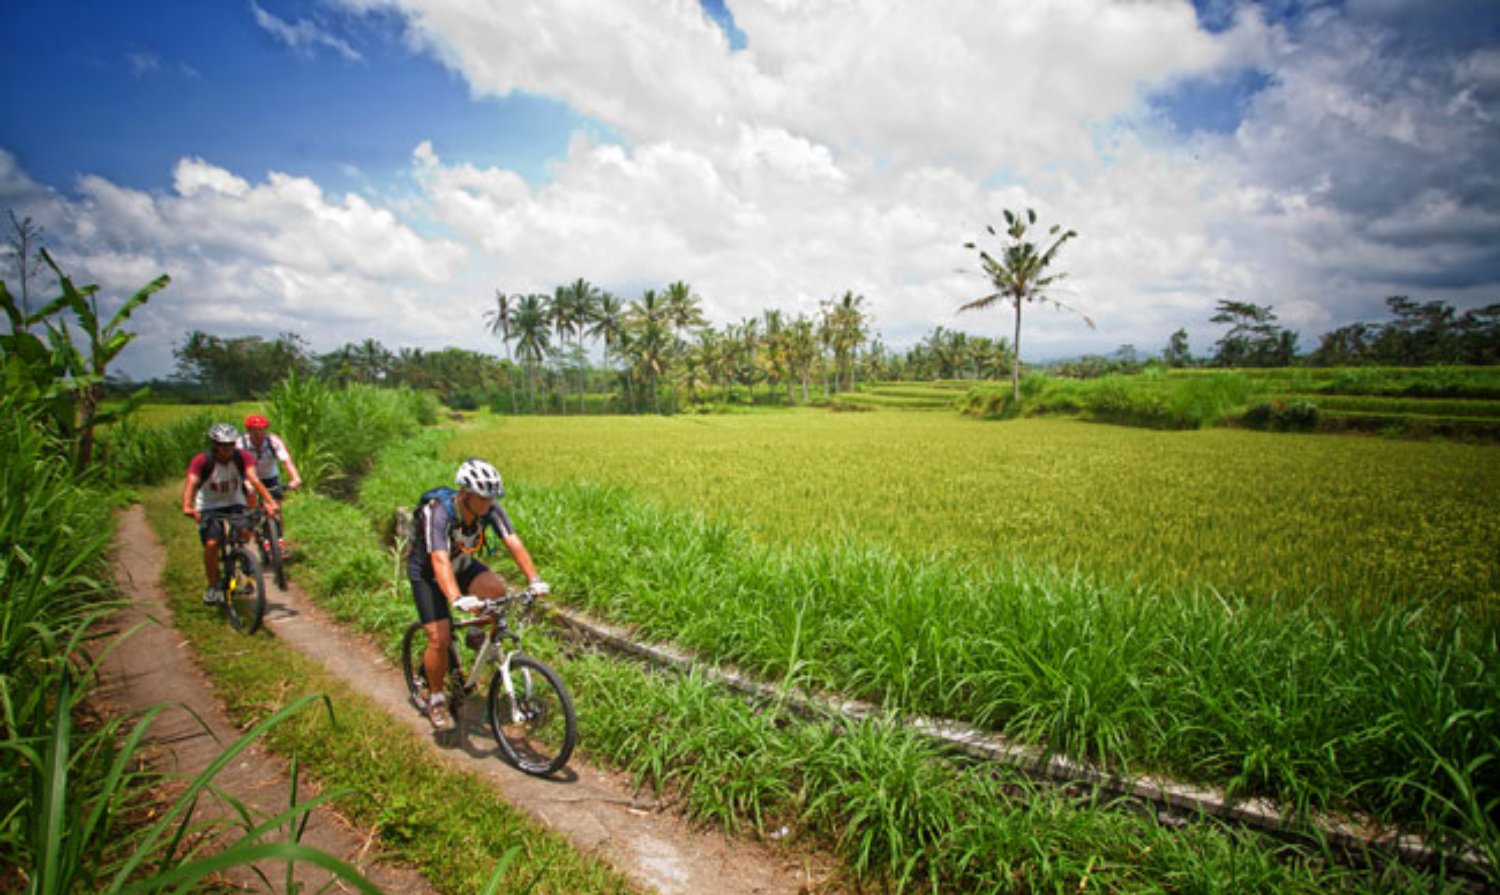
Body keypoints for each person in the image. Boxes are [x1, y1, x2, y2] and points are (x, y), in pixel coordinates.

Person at [409, 457, 548, 732]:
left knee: (496, 590)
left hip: (461, 563)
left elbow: (512, 541)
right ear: (465, 493)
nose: (488, 504)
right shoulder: (438, 513)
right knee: (439, 638)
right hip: (427, 573)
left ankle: (478, 637)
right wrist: (457, 598)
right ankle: (436, 699)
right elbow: (438, 560)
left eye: (491, 498)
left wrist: (535, 579)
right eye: (483, 498)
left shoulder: (490, 511)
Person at [183, 423, 279, 605]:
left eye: (231, 444)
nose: (227, 449)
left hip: (234, 502)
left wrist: (270, 502)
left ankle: (242, 556)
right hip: (209, 505)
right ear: (215, 445)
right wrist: (188, 506)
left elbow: (254, 480)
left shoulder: (243, 457)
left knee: (244, 532)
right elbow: (192, 482)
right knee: (212, 544)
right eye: (223, 445)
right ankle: (212, 586)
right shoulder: (202, 461)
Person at [238, 413, 302, 550]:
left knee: (276, 508)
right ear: (248, 431)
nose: (259, 434)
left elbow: (287, 462)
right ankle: (251, 528)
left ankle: (279, 539)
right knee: (251, 503)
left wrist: (295, 478)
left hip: (270, 477)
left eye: (262, 429)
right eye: (254, 431)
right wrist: (245, 482)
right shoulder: (241, 444)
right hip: (249, 477)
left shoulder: (273, 441)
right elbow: (236, 466)